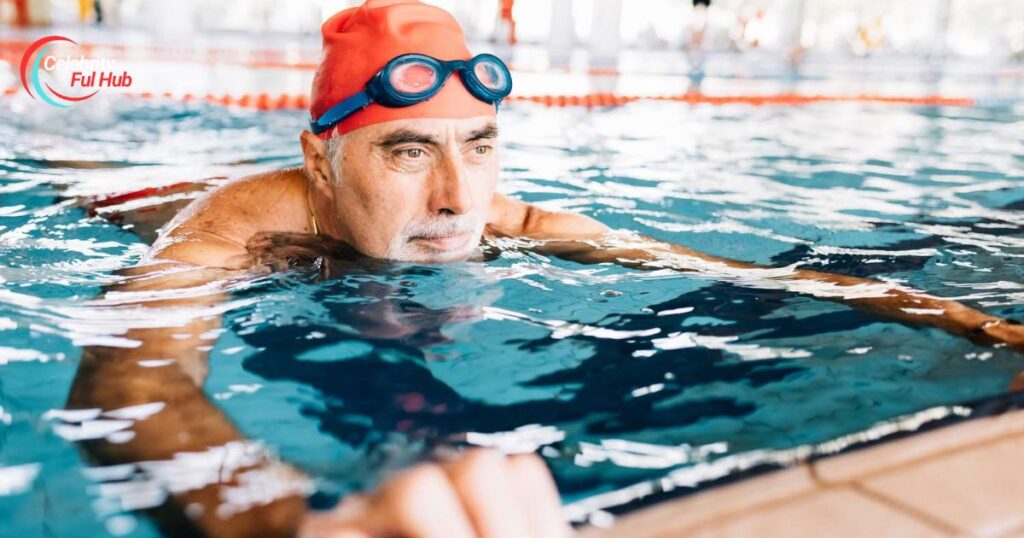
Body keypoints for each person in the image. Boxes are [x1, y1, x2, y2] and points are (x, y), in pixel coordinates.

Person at [67, 1, 1024, 537]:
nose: (455, 199)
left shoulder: (511, 216)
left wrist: (954, 317)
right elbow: (135, 374)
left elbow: (720, 270)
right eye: (407, 152)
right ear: (322, 161)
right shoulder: (237, 223)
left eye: (479, 146)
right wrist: (279, 523)